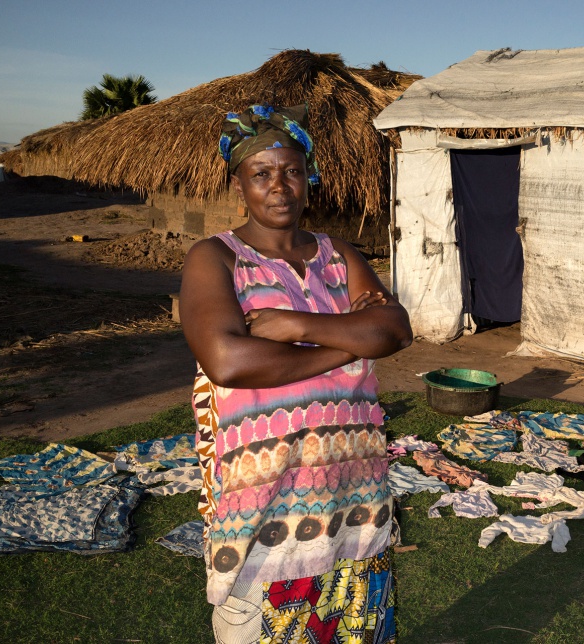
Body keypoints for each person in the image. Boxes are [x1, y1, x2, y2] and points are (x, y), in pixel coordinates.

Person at [179, 104, 412, 644]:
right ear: (238, 183)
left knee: (354, 630)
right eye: (261, 173)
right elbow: (229, 361)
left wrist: (294, 324)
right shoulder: (215, 258)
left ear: (307, 178)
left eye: (290, 171)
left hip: (354, 499)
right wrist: (347, 341)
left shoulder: (338, 254)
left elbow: (395, 330)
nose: (278, 186)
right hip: (263, 505)